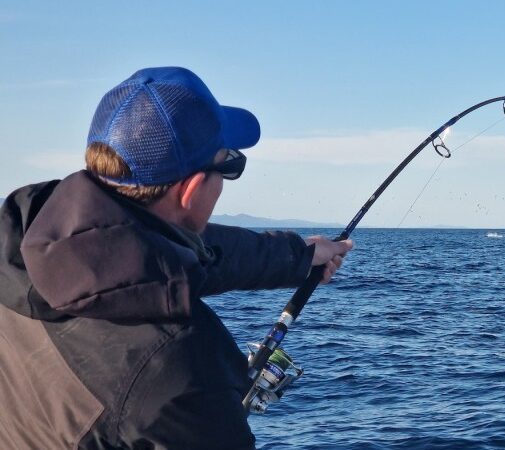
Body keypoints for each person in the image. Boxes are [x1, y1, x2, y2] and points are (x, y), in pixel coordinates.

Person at [0, 67, 353, 449]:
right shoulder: (181, 372)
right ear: (192, 190)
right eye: (229, 165)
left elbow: (181, 254)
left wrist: (298, 257)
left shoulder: (18, 240)